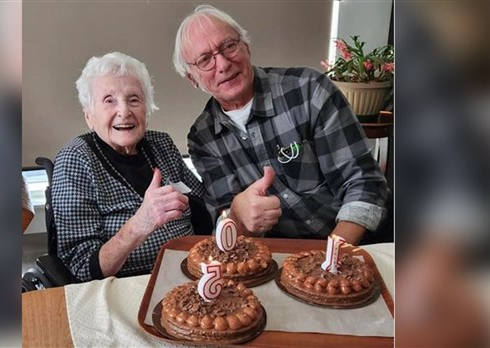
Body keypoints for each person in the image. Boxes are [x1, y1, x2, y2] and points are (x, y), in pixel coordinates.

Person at [173, 5, 388, 245]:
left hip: (359, 242)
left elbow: (364, 182)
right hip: (280, 259)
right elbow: (225, 226)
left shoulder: (308, 90)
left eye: (229, 46)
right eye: (205, 60)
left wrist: (331, 260)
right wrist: (237, 215)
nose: (223, 64)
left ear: (246, 46)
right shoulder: (203, 138)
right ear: (193, 79)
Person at [52, 52, 207, 281]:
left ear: (147, 108)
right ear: (89, 115)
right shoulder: (76, 159)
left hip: (193, 272)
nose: (124, 111)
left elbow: (204, 203)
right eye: (109, 100)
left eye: (133, 99)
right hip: (129, 285)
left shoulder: (161, 143)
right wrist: (139, 224)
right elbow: (82, 266)